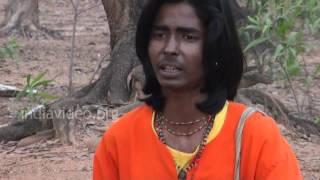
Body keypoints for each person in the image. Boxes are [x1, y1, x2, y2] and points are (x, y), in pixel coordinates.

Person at [93, 0, 302, 179]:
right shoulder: (120, 141)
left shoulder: (257, 139)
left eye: (188, 37)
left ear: (216, 47)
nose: (170, 48)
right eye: (159, 34)